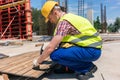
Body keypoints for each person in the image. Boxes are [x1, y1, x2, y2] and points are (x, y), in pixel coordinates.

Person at [33, 1, 102, 80]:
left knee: (55, 55)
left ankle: (88, 67)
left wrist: (38, 61)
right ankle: (68, 68)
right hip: (91, 49)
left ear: (55, 13)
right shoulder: (69, 18)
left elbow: (50, 48)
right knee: (60, 50)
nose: (50, 21)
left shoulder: (64, 22)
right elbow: (63, 41)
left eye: (49, 18)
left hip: (91, 51)